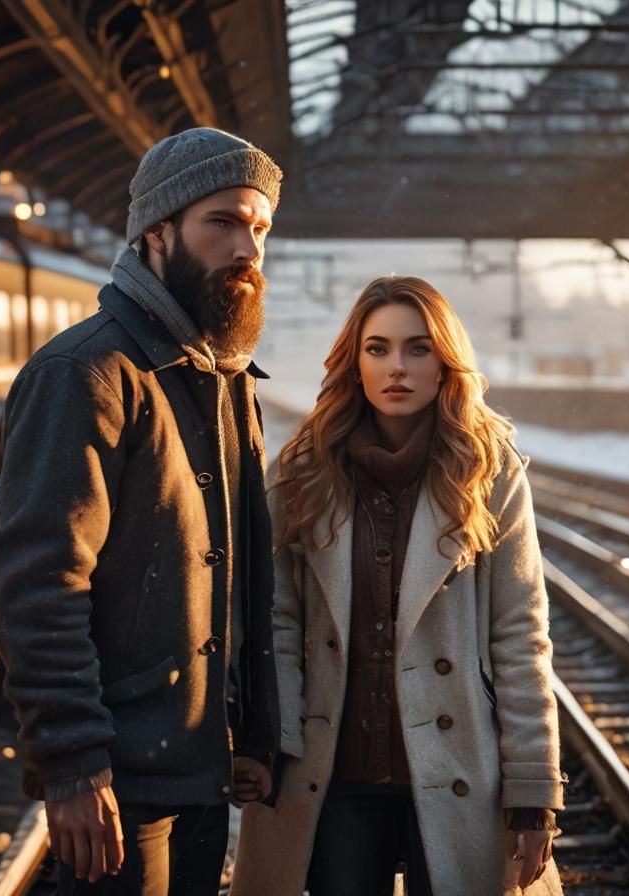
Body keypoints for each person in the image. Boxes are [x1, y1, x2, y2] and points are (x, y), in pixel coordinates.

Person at [0, 127, 283, 895]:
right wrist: (73, 764)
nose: (247, 246)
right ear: (157, 230)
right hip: (119, 779)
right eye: (223, 222)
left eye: (259, 227)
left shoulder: (226, 380)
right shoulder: (86, 373)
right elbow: (39, 583)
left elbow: (239, 570)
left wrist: (250, 729)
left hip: (200, 769)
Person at [232, 276, 565, 896]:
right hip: (331, 774)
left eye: (418, 348)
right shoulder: (304, 471)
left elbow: (520, 633)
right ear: (353, 363)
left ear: (446, 363)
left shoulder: (487, 472)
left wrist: (533, 788)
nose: (397, 367)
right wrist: (272, 742)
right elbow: (276, 618)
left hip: (460, 768)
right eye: (378, 348)